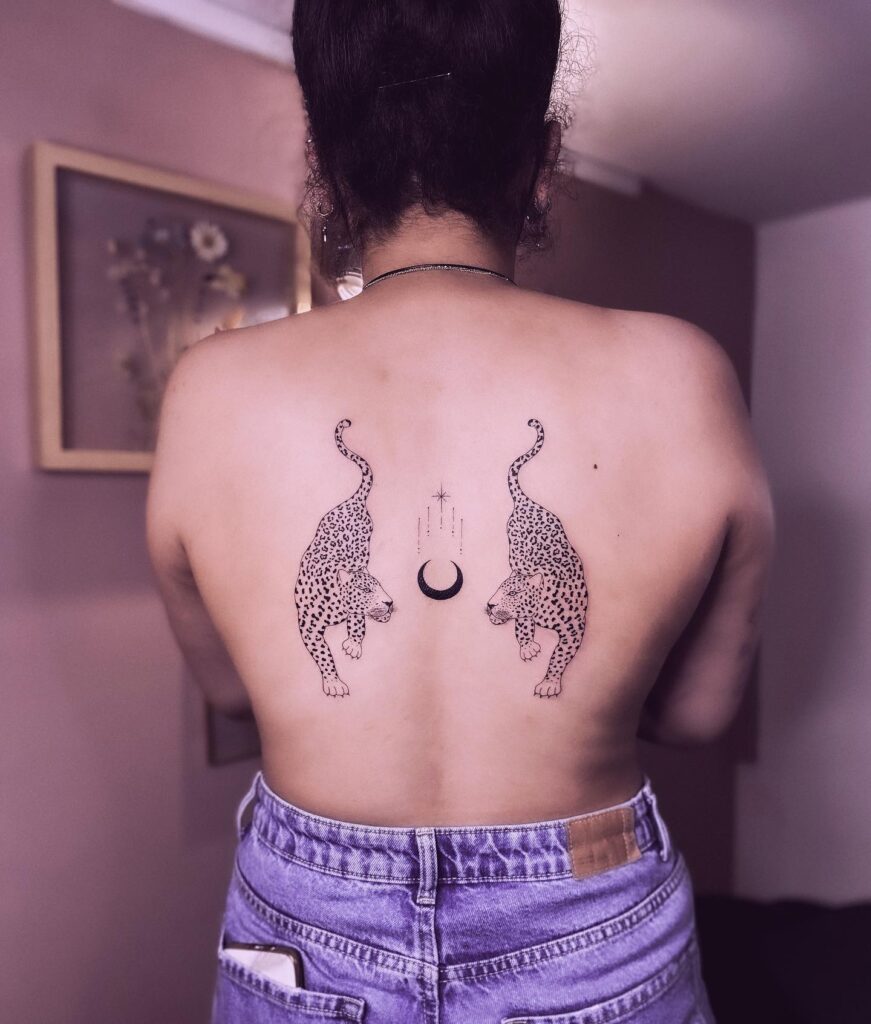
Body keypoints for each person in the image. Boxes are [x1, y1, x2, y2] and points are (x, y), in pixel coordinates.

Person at [146, 1, 775, 1021]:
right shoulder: (683, 373)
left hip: (305, 928)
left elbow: (231, 691)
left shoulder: (207, 388)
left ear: (325, 161)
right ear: (542, 157)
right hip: (591, 912)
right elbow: (695, 714)